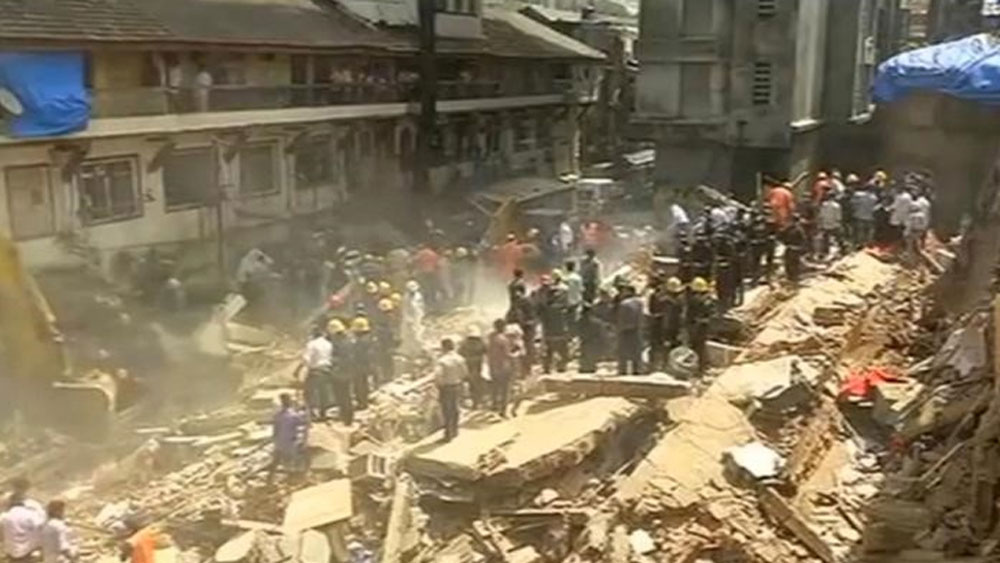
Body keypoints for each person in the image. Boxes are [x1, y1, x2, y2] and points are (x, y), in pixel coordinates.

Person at [268, 393, 308, 482]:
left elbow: (275, 430)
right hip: (289, 442)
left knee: (276, 460)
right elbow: (303, 422)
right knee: (292, 459)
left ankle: (270, 478)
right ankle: (294, 477)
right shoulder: (293, 415)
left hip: (279, 442)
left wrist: (275, 439)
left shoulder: (278, 415)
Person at [434, 339, 467, 442]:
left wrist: (439, 384)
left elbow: (438, 375)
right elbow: (464, 372)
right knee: (455, 408)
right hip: (457, 385)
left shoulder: (442, 361)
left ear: (443, 347)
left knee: (446, 410)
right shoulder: (460, 359)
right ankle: (455, 430)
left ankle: (448, 434)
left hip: (446, 387)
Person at [298, 327, 333, 421]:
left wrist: (302, 369)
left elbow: (306, 359)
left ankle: (311, 413)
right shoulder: (328, 344)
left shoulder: (311, 344)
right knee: (324, 393)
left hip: (315, 370)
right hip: (327, 370)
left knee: (309, 392)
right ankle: (323, 413)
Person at [537, 275, 570, 374]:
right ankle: (558, 366)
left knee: (551, 350)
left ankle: (551, 367)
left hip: (552, 330)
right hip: (555, 329)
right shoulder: (560, 306)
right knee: (556, 349)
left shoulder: (547, 305)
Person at [2, 488, 44, 563]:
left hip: (11, 552)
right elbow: (40, 526)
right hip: (27, 551)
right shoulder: (30, 514)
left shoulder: (4, 517)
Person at [327, 319, 354, 426]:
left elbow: (338, 357)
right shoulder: (348, 340)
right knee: (346, 395)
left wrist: (332, 361)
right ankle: (348, 417)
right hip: (348, 370)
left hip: (340, 371)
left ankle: (345, 417)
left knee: (341, 395)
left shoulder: (338, 343)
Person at [686, 277, 715, 375]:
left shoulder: (695, 300)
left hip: (697, 326)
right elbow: (712, 314)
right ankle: (703, 367)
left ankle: (699, 368)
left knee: (696, 347)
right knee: (701, 347)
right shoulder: (709, 299)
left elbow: (690, 314)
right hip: (704, 326)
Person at [487, 319, 514, 416]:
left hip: (493, 366)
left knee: (495, 387)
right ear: (503, 327)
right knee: (505, 389)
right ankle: (503, 410)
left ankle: (494, 405)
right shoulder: (503, 339)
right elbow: (507, 354)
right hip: (503, 366)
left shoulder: (490, 337)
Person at [506, 285, 537, 370]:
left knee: (528, 347)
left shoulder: (528, 302)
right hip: (518, 329)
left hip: (527, 328)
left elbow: (532, 316)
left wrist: (526, 323)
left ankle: (527, 367)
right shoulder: (516, 303)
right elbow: (510, 316)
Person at [615, 285, 644, 375]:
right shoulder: (640, 302)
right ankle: (637, 370)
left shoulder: (624, 304)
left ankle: (623, 370)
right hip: (637, 328)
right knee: (636, 351)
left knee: (623, 351)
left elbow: (621, 318)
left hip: (625, 329)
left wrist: (618, 329)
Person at [458, 325, 488, 408]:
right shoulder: (481, 342)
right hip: (478, 364)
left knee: (471, 383)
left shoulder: (465, 343)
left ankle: (475, 402)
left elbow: (460, 353)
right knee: (478, 382)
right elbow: (486, 351)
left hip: (468, 364)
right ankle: (479, 401)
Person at [350, 316, 375, 410]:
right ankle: (364, 401)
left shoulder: (360, 341)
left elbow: (357, 354)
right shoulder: (369, 338)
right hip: (367, 365)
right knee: (364, 383)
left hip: (360, 365)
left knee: (359, 384)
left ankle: (362, 402)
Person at [373, 298, 398, 384]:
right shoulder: (380, 325)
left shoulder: (390, 321)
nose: (389, 315)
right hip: (382, 343)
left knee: (388, 360)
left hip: (387, 342)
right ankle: (385, 377)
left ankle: (389, 377)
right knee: (384, 360)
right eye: (386, 313)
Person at [646, 277, 668, 372]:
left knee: (655, 345)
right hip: (665, 324)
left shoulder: (655, 295)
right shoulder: (667, 295)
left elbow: (651, 309)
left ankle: (654, 366)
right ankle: (661, 365)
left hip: (658, 323)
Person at [400, 280, 425, 357]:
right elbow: (405, 309)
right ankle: (410, 351)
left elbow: (421, 305)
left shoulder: (418, 295)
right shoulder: (406, 298)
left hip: (417, 315)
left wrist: (422, 313)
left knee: (418, 332)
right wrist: (408, 319)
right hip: (409, 318)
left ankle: (419, 349)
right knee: (410, 334)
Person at [851, 183, 878, 249]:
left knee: (860, 230)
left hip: (859, 215)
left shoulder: (858, 195)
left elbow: (853, 202)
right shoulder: (874, 197)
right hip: (869, 216)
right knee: (869, 230)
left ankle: (860, 243)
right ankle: (869, 242)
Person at [817, 193, 843, 260]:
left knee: (825, 239)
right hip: (834, 224)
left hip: (825, 224)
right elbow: (838, 217)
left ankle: (825, 251)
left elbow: (821, 215)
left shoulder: (824, 205)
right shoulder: (837, 206)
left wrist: (821, 223)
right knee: (837, 238)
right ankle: (840, 251)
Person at [663, 277, 685, 353]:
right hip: (672, 324)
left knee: (674, 342)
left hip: (675, 324)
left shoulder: (678, 299)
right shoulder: (676, 298)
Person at [783, 216, 808, 283]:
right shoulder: (790, 229)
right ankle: (790, 276)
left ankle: (794, 276)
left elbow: (803, 240)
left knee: (794, 263)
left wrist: (801, 248)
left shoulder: (798, 230)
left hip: (795, 248)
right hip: (791, 248)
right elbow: (782, 236)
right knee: (789, 263)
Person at [563, 261, 584, 326]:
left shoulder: (566, 278)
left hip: (568, 302)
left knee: (567, 320)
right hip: (577, 300)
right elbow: (581, 289)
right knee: (576, 318)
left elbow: (566, 290)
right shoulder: (578, 277)